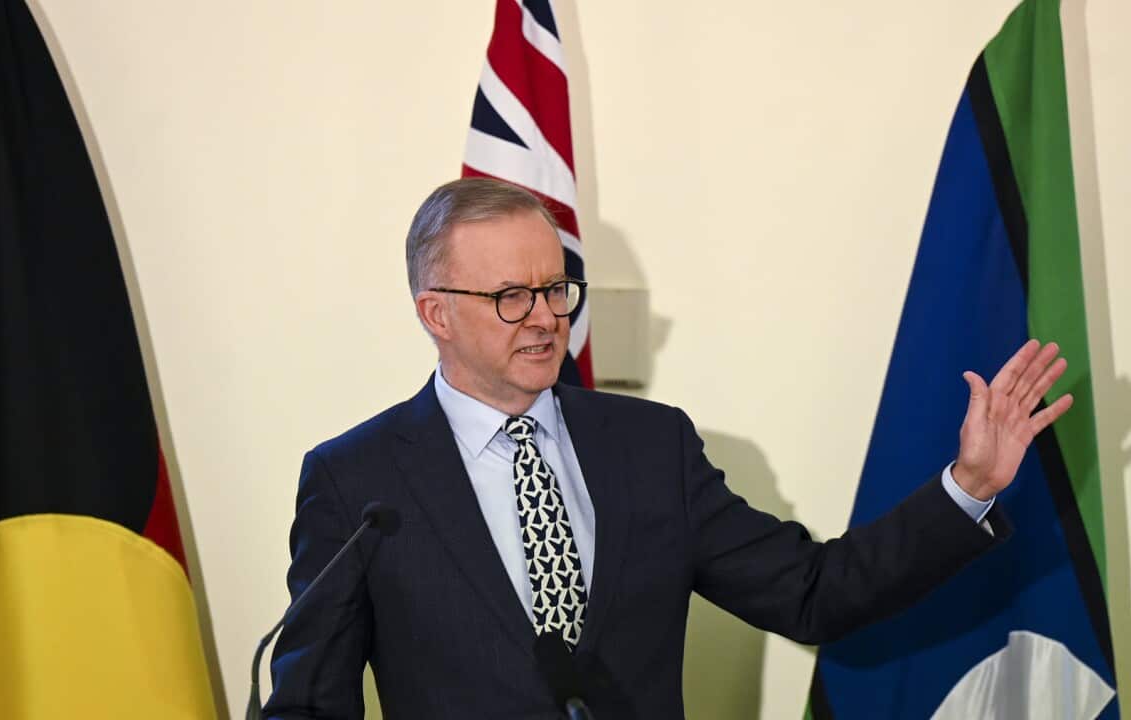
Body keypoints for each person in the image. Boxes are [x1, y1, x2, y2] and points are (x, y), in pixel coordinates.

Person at [263, 178, 1074, 720]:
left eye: (554, 289)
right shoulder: (355, 482)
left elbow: (814, 593)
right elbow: (311, 704)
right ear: (435, 313)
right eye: (512, 297)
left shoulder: (650, 446)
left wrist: (967, 484)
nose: (546, 317)